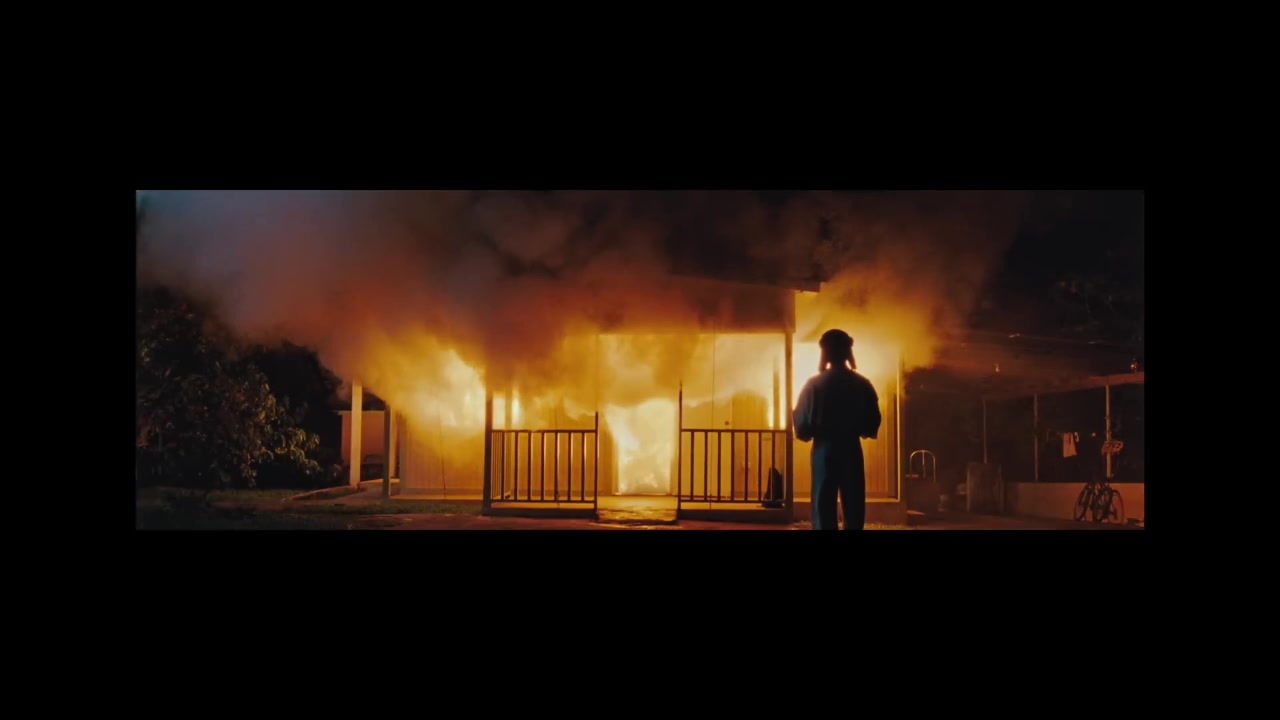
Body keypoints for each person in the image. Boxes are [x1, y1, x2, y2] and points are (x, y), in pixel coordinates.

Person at [792, 329, 882, 530]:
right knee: (853, 501)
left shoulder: (814, 385)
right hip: (851, 448)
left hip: (824, 450)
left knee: (822, 501)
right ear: (848, 352)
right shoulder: (861, 384)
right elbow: (872, 422)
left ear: (824, 353)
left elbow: (802, 427)